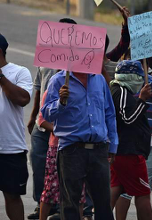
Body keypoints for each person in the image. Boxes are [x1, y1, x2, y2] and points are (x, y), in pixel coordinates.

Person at [41, 50, 118, 219]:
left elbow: (109, 113)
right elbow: (45, 114)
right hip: (71, 150)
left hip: (99, 149)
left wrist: (112, 144)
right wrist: (60, 102)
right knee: (70, 203)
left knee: (103, 203)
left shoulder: (99, 80)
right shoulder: (58, 81)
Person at [26, 18, 77, 220]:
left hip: (67, 124)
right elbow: (39, 88)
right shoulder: (45, 55)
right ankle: (42, 204)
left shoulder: (79, 60)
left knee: (68, 169)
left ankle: (68, 208)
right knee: (39, 162)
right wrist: (32, 116)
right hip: (43, 120)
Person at [109, 61, 152, 220]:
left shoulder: (121, 91)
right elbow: (127, 119)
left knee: (117, 187)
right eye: (140, 77)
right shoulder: (121, 92)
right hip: (129, 152)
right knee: (143, 193)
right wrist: (142, 100)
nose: (142, 81)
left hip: (123, 151)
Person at [37, 90, 87, 220]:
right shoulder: (51, 91)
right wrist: (62, 131)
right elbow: (42, 120)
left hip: (78, 146)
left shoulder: (82, 91)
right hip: (57, 147)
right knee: (50, 188)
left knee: (78, 191)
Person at [0, 33, 33, 220]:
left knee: (12, 197)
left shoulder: (20, 72)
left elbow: (22, 99)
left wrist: (1, 77)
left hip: (11, 149)